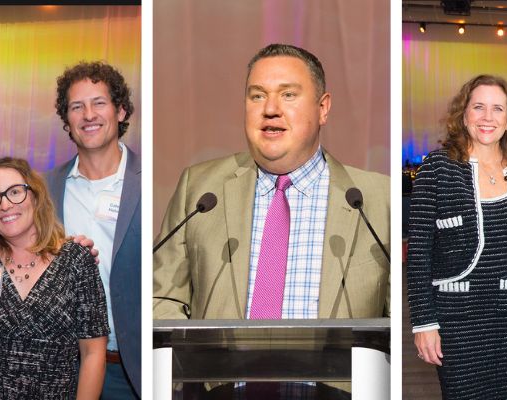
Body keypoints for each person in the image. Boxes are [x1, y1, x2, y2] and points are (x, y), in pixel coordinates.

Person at [153, 43, 391, 323]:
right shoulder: (200, 191)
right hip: (219, 367)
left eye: (288, 95)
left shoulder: (377, 200)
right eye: (257, 96)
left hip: (336, 368)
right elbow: (163, 299)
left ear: (323, 108)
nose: (270, 109)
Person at [405, 74, 507, 399]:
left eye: (497, 109)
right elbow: (419, 255)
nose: (487, 117)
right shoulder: (437, 168)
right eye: (478, 107)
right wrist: (424, 323)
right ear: (464, 114)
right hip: (459, 320)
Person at [0, 157, 109, 399]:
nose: (5, 205)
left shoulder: (76, 260)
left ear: (35, 196)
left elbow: (93, 353)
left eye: (15, 192)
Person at [46, 61, 142, 399]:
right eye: (77, 106)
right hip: (62, 367)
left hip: (129, 370)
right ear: (67, 120)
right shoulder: (46, 188)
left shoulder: (150, 184)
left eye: (99, 103)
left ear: (121, 111)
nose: (88, 114)